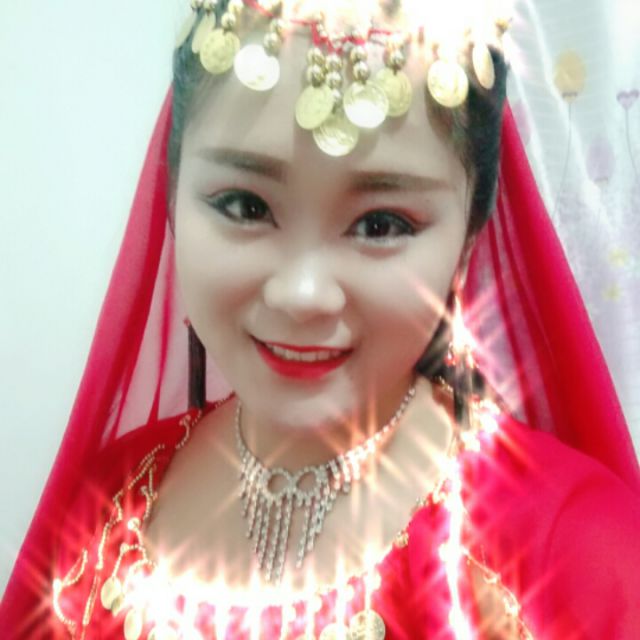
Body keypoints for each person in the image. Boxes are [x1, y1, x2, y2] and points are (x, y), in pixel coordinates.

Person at [2, 1, 640, 638]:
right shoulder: (100, 515)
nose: (302, 294)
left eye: (381, 224)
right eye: (245, 206)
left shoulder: (575, 556)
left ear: (468, 240)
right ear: (172, 200)